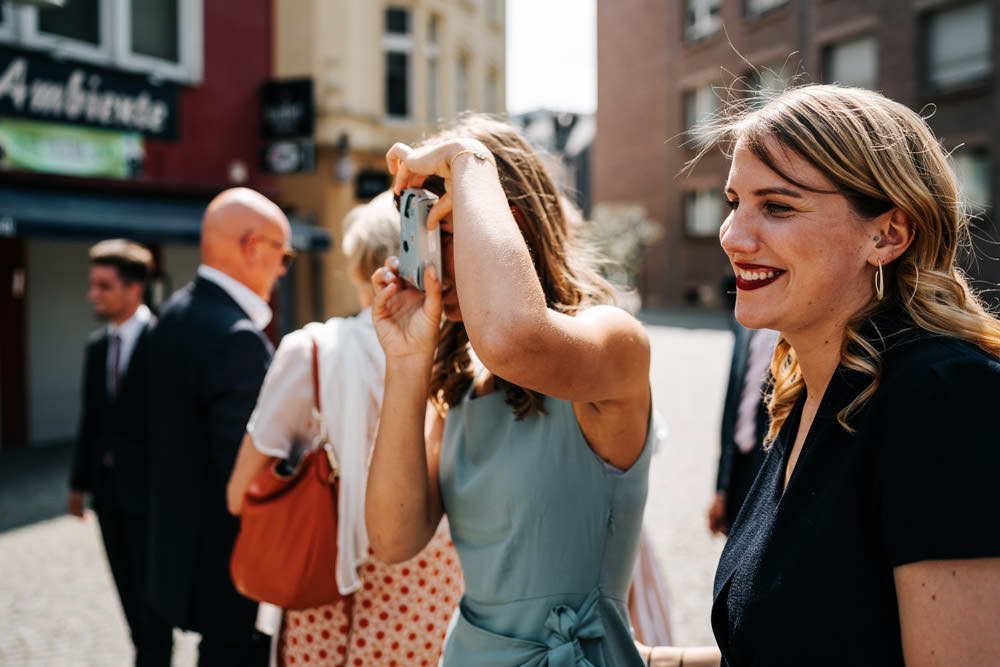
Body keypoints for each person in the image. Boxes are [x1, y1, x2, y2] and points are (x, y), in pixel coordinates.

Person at [646, 83, 1000, 666]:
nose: (732, 235)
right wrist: (655, 659)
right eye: (734, 201)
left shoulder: (943, 397)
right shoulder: (807, 387)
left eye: (778, 206)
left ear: (887, 234)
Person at [366, 114, 654, 665]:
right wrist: (406, 361)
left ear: (512, 227)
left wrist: (468, 158)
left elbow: (514, 339)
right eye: (418, 240)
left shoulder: (614, 343)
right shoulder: (461, 387)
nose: (427, 266)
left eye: (444, 237)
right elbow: (393, 539)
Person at [226, 190, 464, 666]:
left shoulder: (311, 352)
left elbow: (239, 492)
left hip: (333, 590)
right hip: (438, 590)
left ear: (362, 263)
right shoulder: (463, 355)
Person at [145, 187, 293, 666]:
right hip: (225, 563)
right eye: (282, 254)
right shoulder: (238, 338)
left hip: (172, 546)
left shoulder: (168, 315)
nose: (282, 269)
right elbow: (249, 475)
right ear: (253, 247)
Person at [68, 239, 172, 667]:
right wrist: (79, 486)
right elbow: (91, 420)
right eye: (93, 285)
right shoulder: (96, 348)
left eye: (103, 286)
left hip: (152, 497)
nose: (93, 294)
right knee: (127, 595)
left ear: (134, 289)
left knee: (155, 602)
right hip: (109, 496)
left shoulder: (165, 341)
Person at [706, 324, 776, 536]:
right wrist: (722, 487)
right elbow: (733, 401)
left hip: (774, 473)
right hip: (739, 466)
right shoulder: (745, 319)